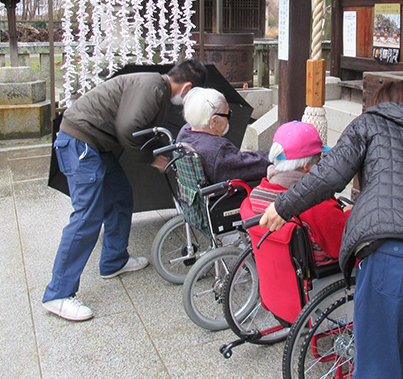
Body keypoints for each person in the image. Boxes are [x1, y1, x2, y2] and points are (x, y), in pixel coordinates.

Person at [260, 80, 403, 379]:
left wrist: (283, 206)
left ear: (378, 104)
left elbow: (330, 174)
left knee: (377, 368)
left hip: (395, 252)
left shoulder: (369, 123)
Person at [43, 59, 207, 322]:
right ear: (187, 87)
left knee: (121, 197)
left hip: (98, 145)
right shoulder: (153, 88)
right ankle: (58, 294)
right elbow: (128, 128)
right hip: (80, 143)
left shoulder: (158, 90)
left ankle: (114, 260)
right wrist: (150, 158)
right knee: (87, 217)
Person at [248, 121, 348, 265]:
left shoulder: (256, 194)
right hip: (325, 272)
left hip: (274, 270)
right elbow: (347, 246)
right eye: (319, 157)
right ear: (306, 165)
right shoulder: (317, 205)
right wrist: (350, 214)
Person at [175, 87, 269, 185]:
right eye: (228, 114)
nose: (228, 120)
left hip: (197, 191)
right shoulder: (217, 149)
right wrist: (273, 156)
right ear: (214, 121)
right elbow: (251, 166)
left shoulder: (184, 133)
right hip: (224, 193)